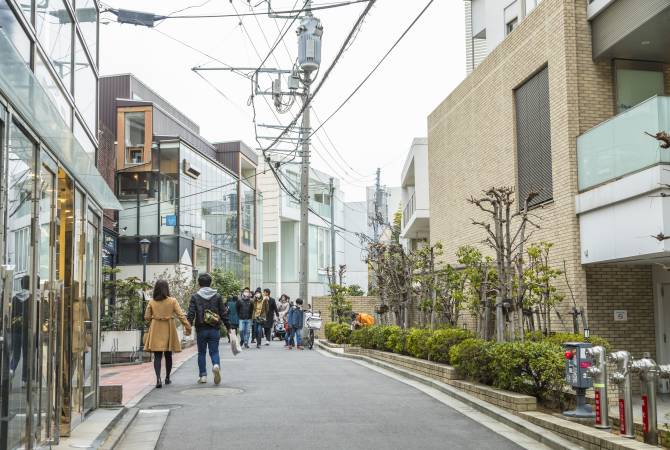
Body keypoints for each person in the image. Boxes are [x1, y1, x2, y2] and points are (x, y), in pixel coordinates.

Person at [144, 279, 192, 388]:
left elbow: (146, 317)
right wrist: (188, 327)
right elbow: (181, 315)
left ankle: (158, 379)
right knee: (168, 355)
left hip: (156, 328)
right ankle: (167, 378)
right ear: (167, 289)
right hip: (168, 328)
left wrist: (154, 317)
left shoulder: (151, 301)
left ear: (156, 289)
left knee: (157, 356)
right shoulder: (172, 301)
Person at [187, 273, 226, 384]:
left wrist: (188, 326)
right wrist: (229, 327)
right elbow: (223, 313)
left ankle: (203, 376)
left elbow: (191, 313)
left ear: (199, 284)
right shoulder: (217, 296)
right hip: (214, 328)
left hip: (201, 329)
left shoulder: (195, 297)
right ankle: (216, 365)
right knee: (214, 351)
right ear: (210, 283)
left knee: (201, 353)